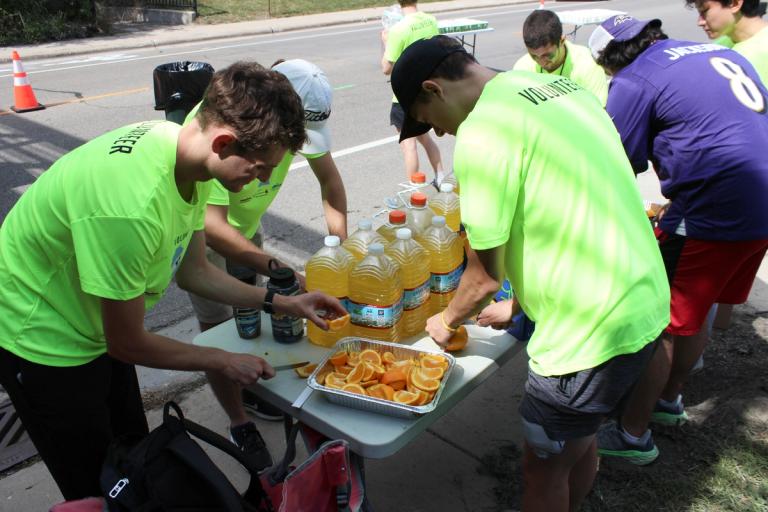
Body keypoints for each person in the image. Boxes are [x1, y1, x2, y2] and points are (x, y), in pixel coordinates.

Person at [0, 61, 346, 501]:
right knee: (95, 486)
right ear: (223, 142)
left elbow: (195, 270)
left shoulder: (190, 157)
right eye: (259, 169)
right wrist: (220, 360)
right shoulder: (131, 206)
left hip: (94, 326)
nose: (258, 181)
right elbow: (126, 343)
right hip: (41, 338)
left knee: (133, 456)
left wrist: (283, 302)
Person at [394, 36, 669, 511]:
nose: (436, 135)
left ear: (433, 89)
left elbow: (480, 279)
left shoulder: (483, 132)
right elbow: (570, 204)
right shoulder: (556, 89)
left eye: (425, 121)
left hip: (587, 332)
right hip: (643, 298)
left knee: (541, 469)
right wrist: (520, 303)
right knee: (577, 444)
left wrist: (446, 321)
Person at [588, 15, 768, 464]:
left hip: (717, 208)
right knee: (697, 308)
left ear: (609, 61)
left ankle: (632, 434)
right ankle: (668, 401)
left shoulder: (633, 80)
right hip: (758, 202)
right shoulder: (715, 52)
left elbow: (615, 163)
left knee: (661, 324)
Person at [185, 59, 348, 460]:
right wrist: (283, 271)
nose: (265, 176)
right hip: (205, 241)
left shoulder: (281, 127)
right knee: (219, 329)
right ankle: (239, 419)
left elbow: (330, 182)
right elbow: (213, 230)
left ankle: (251, 385)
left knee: (256, 319)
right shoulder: (223, 135)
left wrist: (337, 250)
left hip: (248, 234)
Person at [381, 0, 446, 185]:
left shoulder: (398, 29)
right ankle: (440, 176)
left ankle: (414, 189)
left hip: (404, 93)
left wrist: (386, 42)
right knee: (424, 137)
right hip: (426, 91)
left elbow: (386, 67)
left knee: (408, 145)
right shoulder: (430, 20)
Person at [513, 9, 608, 105]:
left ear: (562, 41)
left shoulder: (587, 64)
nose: (541, 62)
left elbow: (599, 112)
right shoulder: (522, 69)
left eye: (548, 55)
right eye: (533, 56)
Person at [686, 0, 768, 82]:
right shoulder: (719, 46)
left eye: (705, 11)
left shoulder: (763, 49)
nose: (700, 22)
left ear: (734, 4)